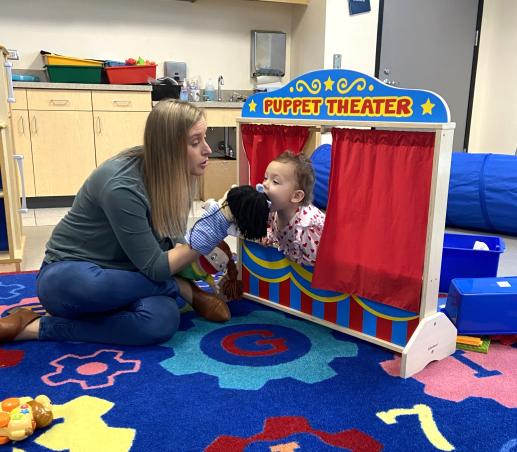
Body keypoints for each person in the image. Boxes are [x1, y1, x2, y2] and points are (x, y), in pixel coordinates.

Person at [0, 100, 237, 346]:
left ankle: (36, 328)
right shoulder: (121, 185)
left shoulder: (177, 177)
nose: (208, 149)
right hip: (71, 274)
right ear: (168, 149)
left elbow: (168, 243)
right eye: (195, 142)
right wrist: (203, 240)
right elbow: (156, 267)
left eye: (204, 138)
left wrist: (199, 249)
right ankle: (177, 288)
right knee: (89, 285)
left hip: (132, 277)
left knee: (162, 321)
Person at [262, 150, 326, 266]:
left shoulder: (308, 227)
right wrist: (269, 235)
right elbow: (271, 227)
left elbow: (315, 266)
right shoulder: (273, 209)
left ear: (296, 196)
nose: (265, 184)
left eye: (275, 181)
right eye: (265, 178)